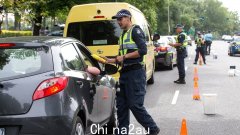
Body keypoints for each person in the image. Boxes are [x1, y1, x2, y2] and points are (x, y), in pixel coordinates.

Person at [102, 9, 160, 135]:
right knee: (121, 107)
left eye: (121, 19)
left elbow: (143, 50)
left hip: (135, 74)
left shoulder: (135, 31)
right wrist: (110, 60)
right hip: (124, 74)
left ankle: (153, 129)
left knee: (135, 105)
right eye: (117, 19)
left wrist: (124, 57)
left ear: (128, 18)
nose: (118, 22)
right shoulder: (123, 35)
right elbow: (121, 56)